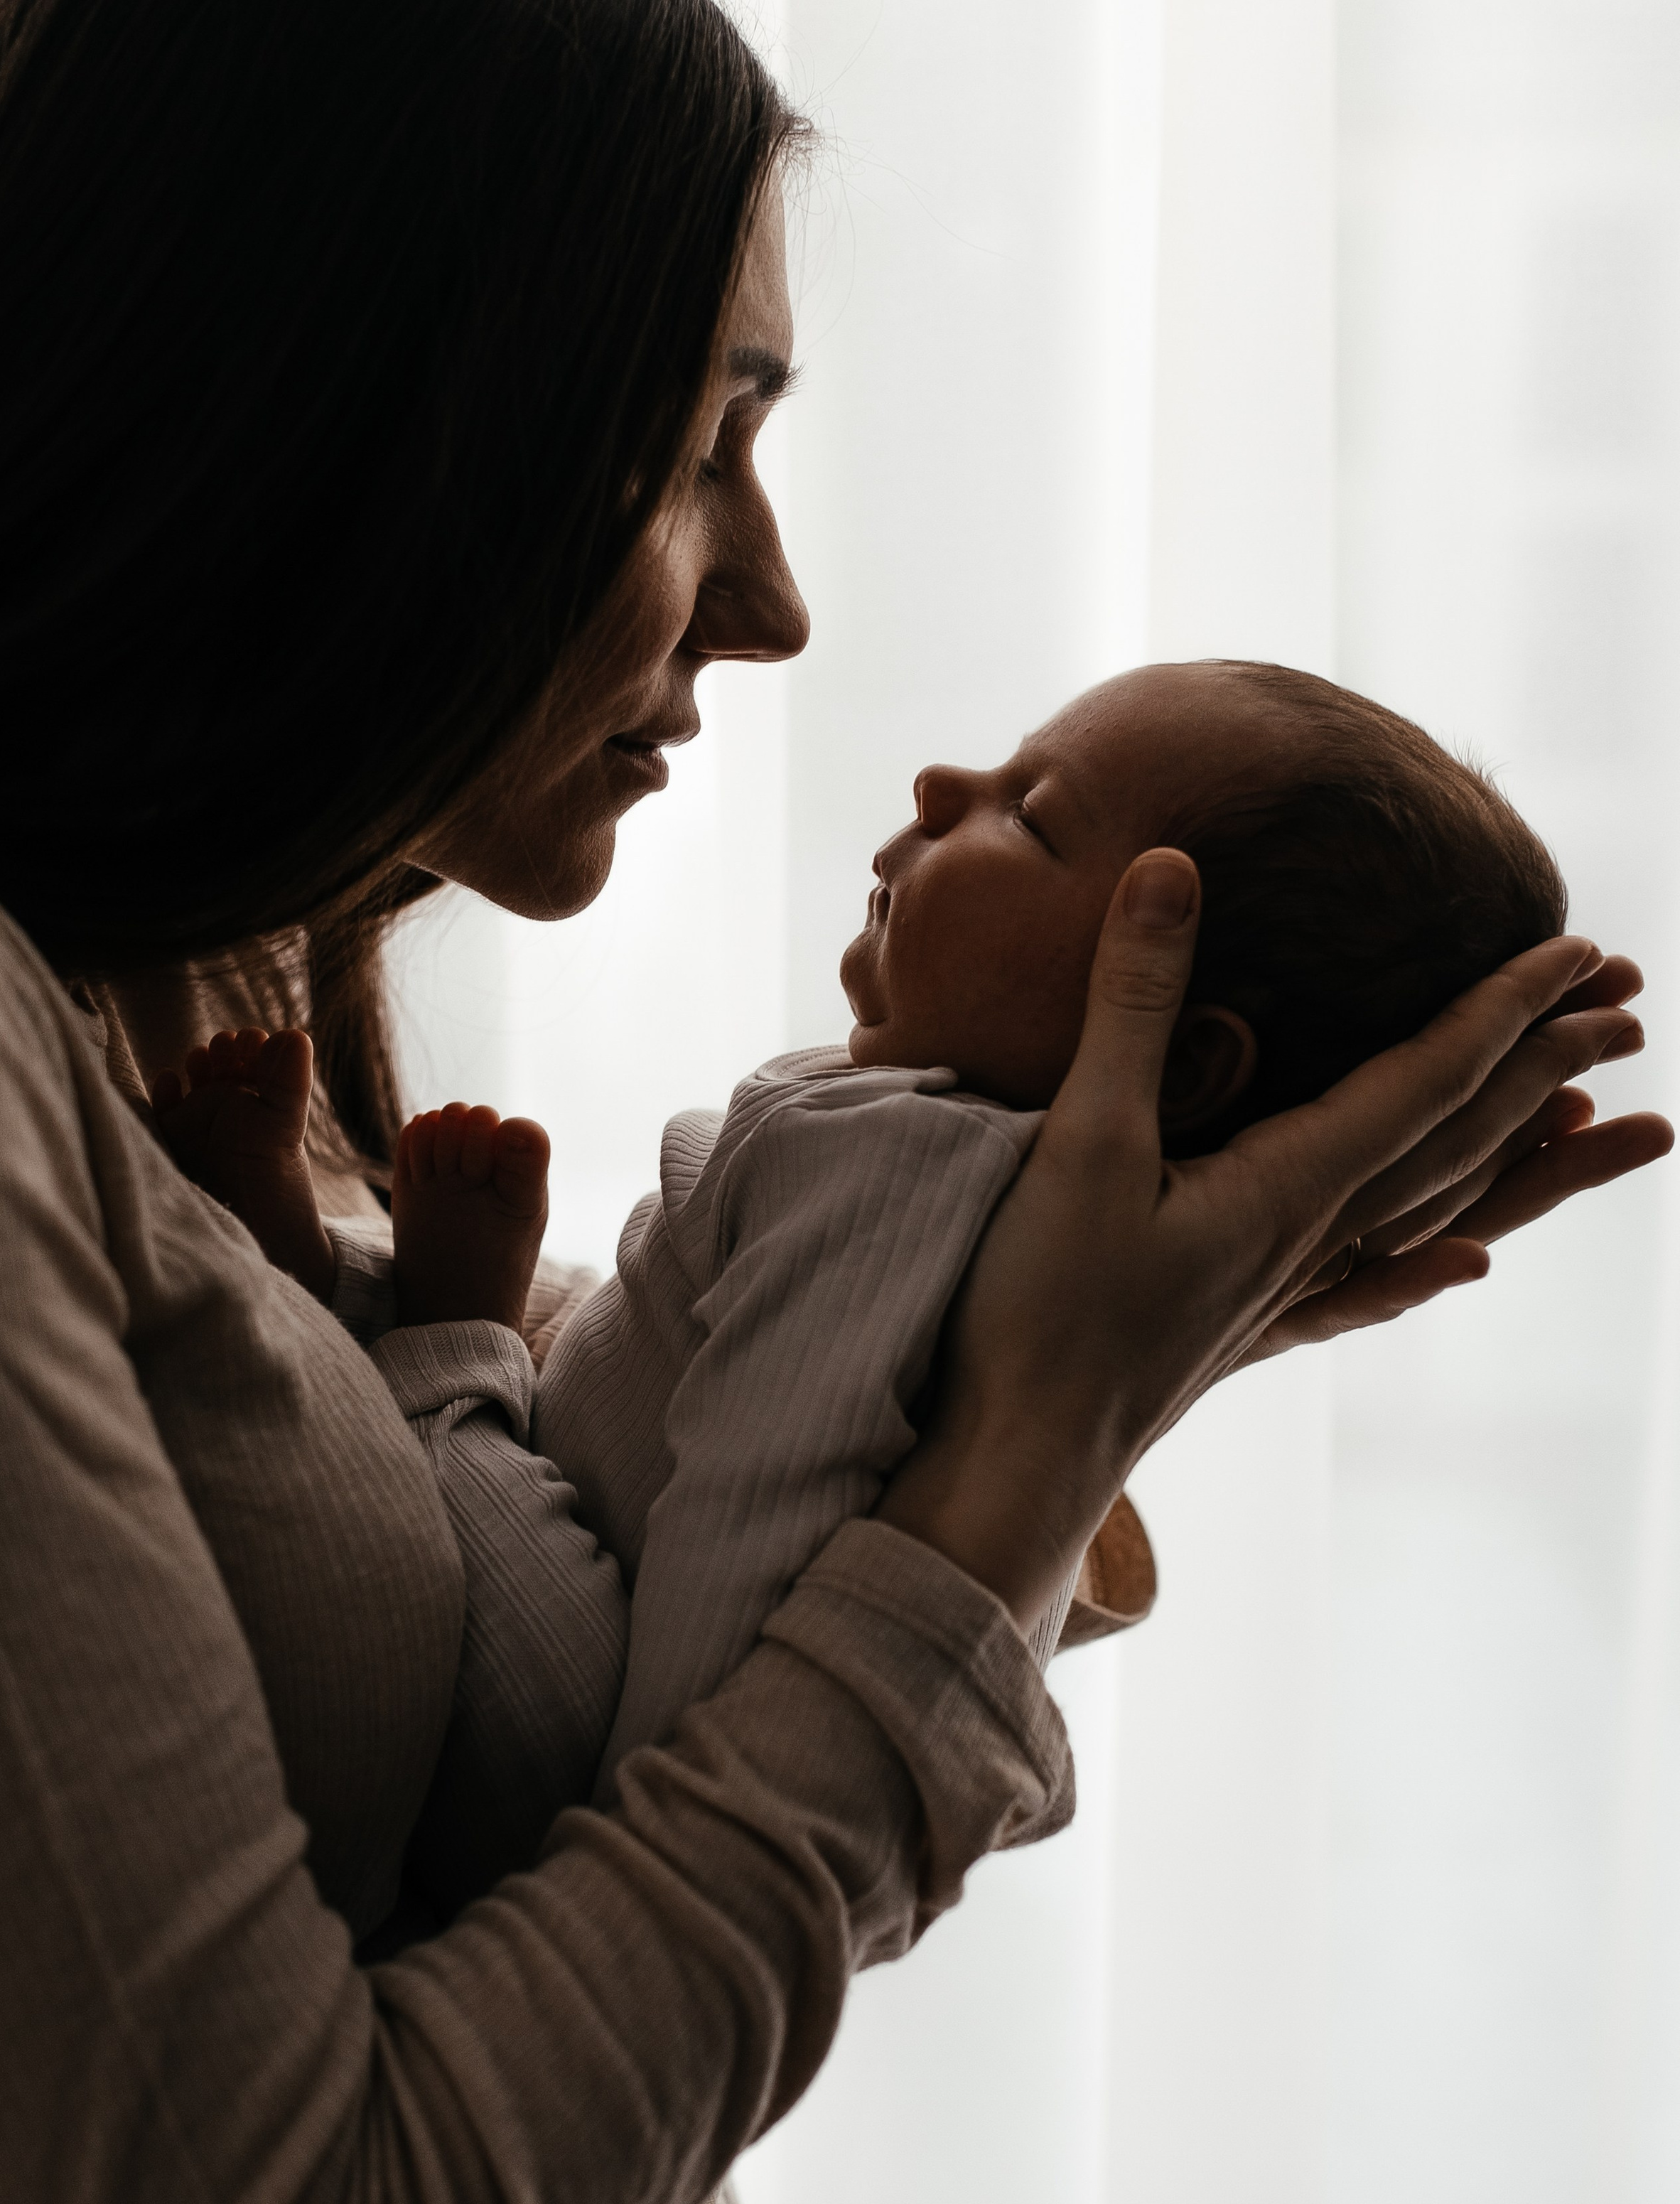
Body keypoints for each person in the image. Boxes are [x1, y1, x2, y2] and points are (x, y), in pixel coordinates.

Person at [0, 0, 1664, 2204]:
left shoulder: (215, 980)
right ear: (339, 413)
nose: (785, 604)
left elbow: (644, 1646)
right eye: (704, 444)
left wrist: (1081, 1330)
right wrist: (1018, 1461)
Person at [146, 656, 1568, 1891]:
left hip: (565, 1725)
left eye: (1032, 815)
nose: (946, 783)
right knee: (449, 1369)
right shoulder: (941, 1166)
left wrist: (469, 1334)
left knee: (452, 1388)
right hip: (582, 1536)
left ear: (1177, 1056)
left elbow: (726, 1576)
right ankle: (316, 1276)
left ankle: (390, 1316)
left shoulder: (901, 1173)